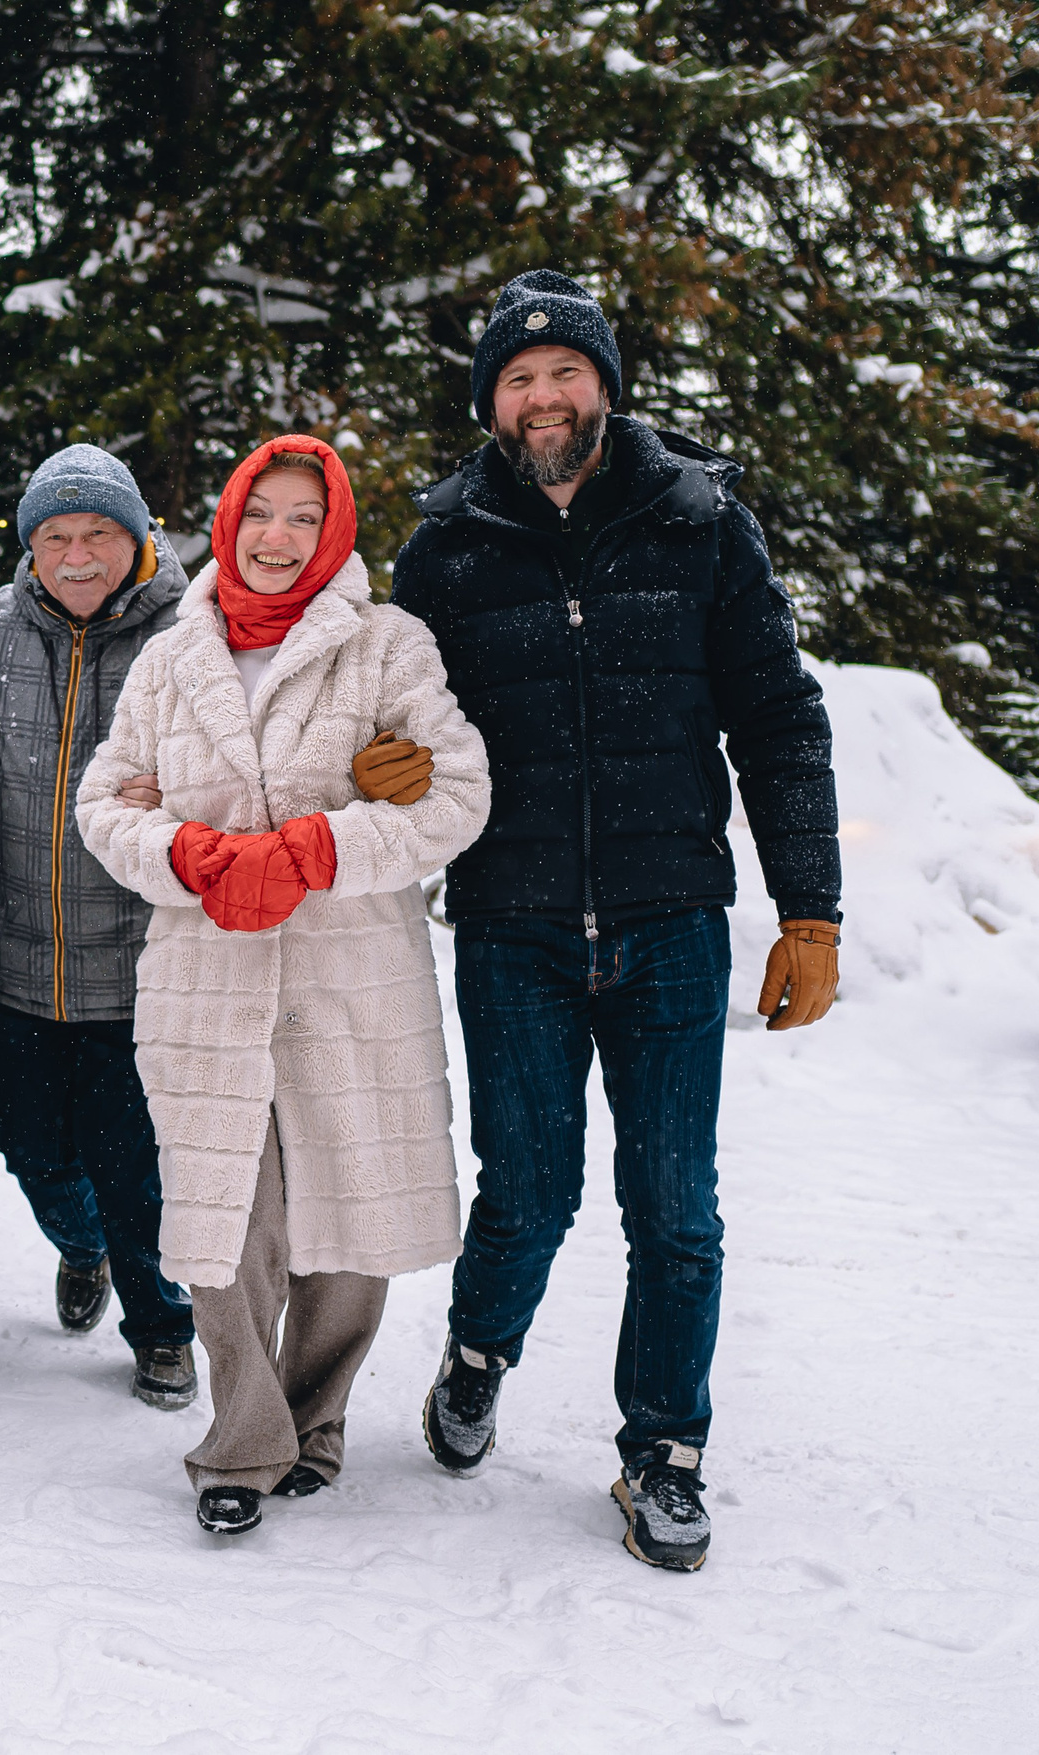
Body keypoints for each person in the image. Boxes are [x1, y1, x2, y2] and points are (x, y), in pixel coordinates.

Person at [393, 270, 842, 1572]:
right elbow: (395, 708)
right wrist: (391, 757)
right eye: (518, 378)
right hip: (513, 918)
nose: (544, 396)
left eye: (564, 371)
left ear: (606, 382)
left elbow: (778, 718)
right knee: (528, 1189)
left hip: (669, 919)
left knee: (676, 1203)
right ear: (493, 402)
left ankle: (663, 1450)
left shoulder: (700, 520)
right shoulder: (450, 545)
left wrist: (806, 907)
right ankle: (479, 1349)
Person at [76, 433, 491, 1536]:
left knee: (348, 1217)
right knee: (223, 1222)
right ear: (228, 521)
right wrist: (194, 856)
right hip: (206, 976)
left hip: (350, 975)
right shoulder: (172, 655)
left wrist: (319, 848)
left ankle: (316, 1423)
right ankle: (243, 1439)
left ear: (335, 531)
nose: (278, 537)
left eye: (304, 518)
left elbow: (456, 796)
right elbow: (104, 802)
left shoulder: (386, 646)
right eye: (262, 513)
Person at [0, 443, 199, 1408]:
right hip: (18, 954)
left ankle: (163, 1327)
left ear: (137, 539)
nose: (76, 556)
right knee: (27, 1139)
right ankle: (78, 1244)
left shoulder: (185, 634)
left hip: (135, 960)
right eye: (55, 537)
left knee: (135, 1163)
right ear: (30, 548)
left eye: (97, 536)